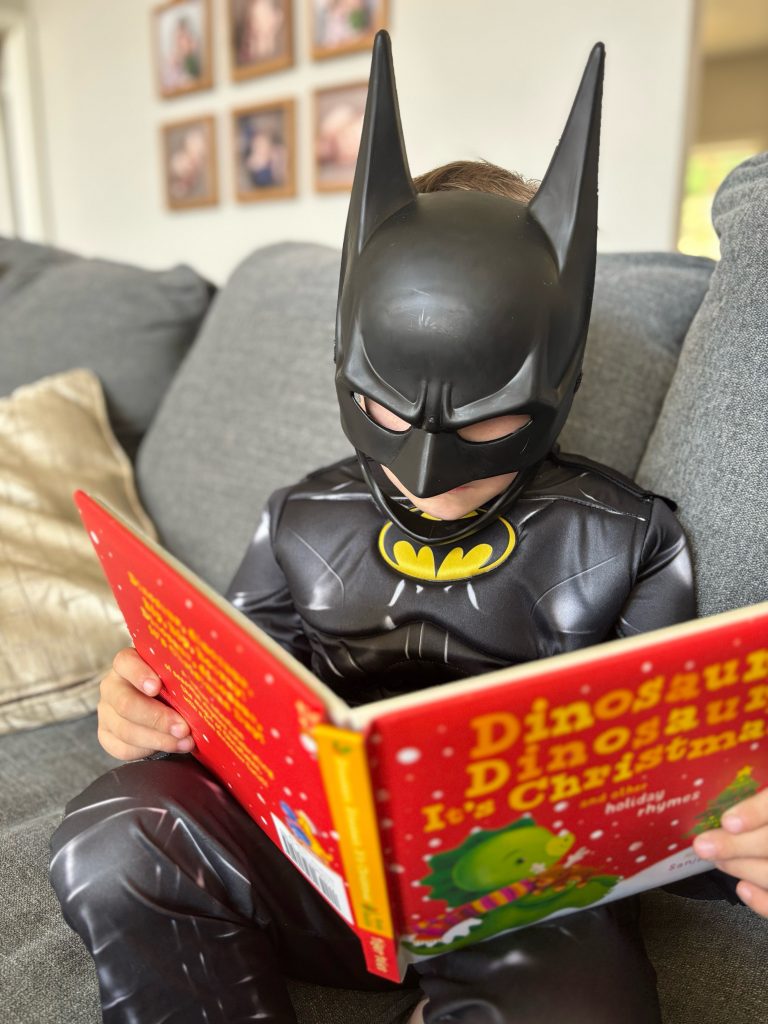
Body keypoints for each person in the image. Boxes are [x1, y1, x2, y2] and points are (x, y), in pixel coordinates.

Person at [50, 32, 768, 1024]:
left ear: (553, 375)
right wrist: (149, 709)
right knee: (112, 831)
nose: (429, 471)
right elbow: (229, 708)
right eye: (387, 413)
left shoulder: (629, 539)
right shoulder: (302, 516)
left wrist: (737, 835)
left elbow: (672, 791)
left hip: (525, 903)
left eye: (486, 422)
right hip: (312, 870)